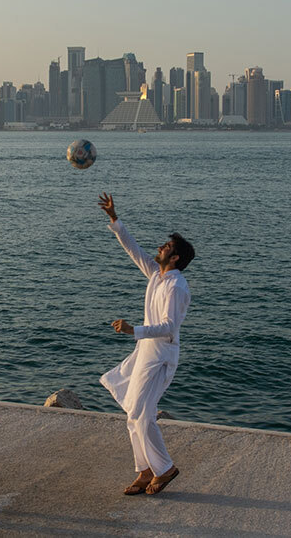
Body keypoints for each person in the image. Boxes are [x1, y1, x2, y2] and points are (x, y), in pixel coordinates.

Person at [97, 193, 195, 496]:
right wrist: (115, 218)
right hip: (146, 353)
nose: (159, 248)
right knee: (134, 414)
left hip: (161, 355)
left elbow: (169, 327)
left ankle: (164, 469)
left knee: (142, 414)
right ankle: (144, 470)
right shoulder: (156, 274)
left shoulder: (176, 286)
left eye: (165, 247)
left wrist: (132, 330)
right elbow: (133, 250)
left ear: (174, 257)